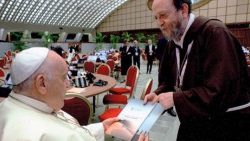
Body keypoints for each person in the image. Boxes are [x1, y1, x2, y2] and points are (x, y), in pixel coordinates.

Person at [144, 0, 250, 141]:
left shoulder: (214, 34)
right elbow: (169, 82)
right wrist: (158, 94)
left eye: (163, 15)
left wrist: (175, 98)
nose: (159, 23)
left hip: (225, 126)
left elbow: (220, 92)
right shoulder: (172, 44)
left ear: (183, 10)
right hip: (194, 121)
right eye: (156, 18)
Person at [0, 47, 148, 141]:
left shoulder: (15, 106)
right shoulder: (33, 133)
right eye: (64, 77)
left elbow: (72, 133)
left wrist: (101, 128)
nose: (68, 84)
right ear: (42, 83)